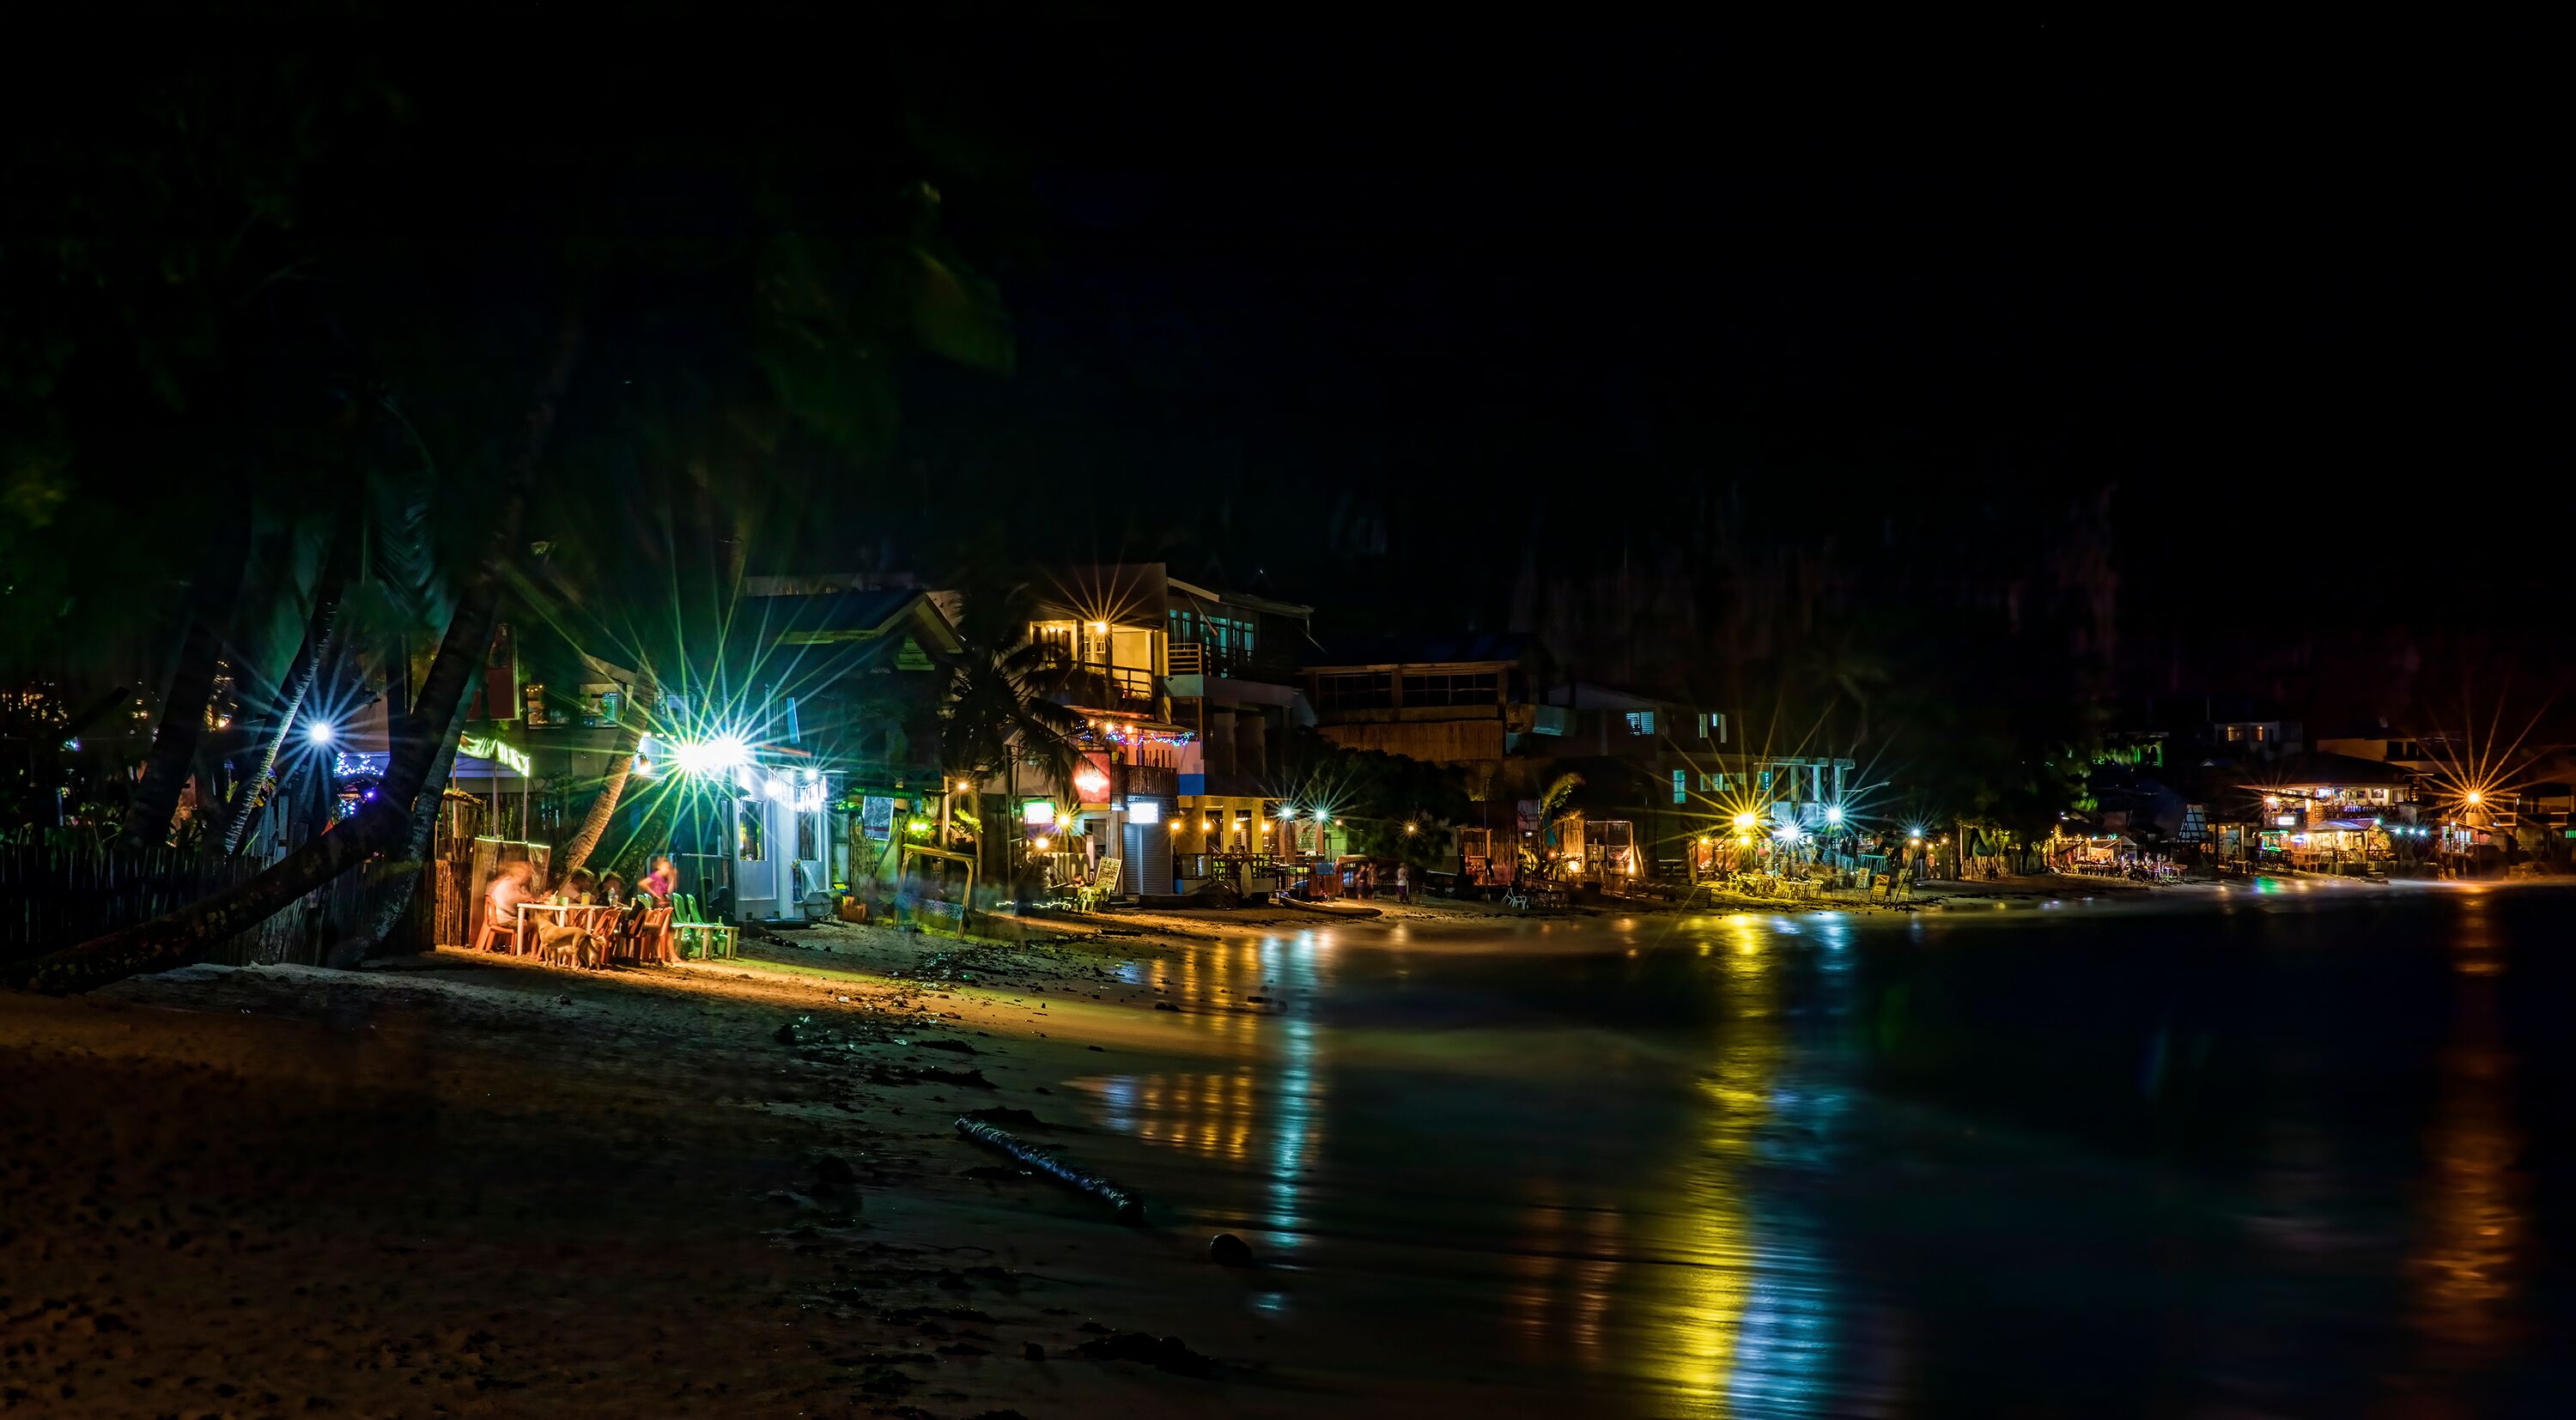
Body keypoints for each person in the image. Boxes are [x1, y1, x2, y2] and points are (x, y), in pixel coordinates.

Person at [483, 859, 535, 950]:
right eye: (527, 874)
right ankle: (531, 952)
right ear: (520, 873)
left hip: (495, 917)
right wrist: (526, 898)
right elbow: (511, 901)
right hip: (503, 920)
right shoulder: (509, 884)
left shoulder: (506, 881)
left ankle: (527, 950)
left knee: (528, 921)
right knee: (535, 924)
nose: (528, 877)